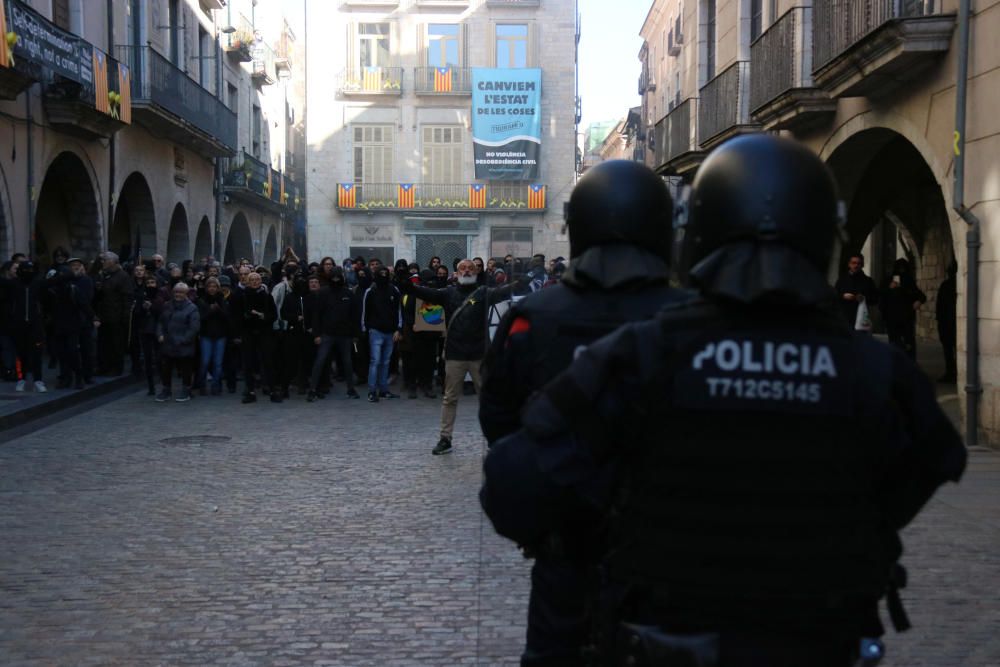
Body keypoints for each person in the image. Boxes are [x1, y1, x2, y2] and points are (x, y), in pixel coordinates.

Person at [481, 135, 967, 667]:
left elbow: (511, 483)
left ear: (696, 235)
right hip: (821, 643)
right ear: (825, 235)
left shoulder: (644, 352)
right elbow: (931, 462)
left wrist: (613, 513)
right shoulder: (874, 369)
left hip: (664, 642)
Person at [478, 159, 690, 666]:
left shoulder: (531, 317)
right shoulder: (693, 318)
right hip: (669, 544)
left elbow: (498, 419)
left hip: (565, 535)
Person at [398, 258, 524, 455]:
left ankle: (493, 437)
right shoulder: (448, 293)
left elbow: (503, 292)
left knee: (487, 398)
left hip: (479, 355)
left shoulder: (484, 293)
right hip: (455, 354)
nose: (466, 271)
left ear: (476, 272)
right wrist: (406, 284)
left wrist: (520, 282)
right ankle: (445, 438)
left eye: (470, 268)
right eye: (462, 268)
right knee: (449, 398)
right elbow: (423, 292)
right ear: (456, 273)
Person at [310, 267, 361, 401]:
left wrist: (356, 335)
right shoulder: (323, 293)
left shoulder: (348, 294)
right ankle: (313, 389)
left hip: (345, 335)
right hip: (327, 334)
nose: (336, 280)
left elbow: (355, 315)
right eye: (334, 277)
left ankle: (350, 388)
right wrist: (316, 334)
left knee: (348, 363)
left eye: (338, 277)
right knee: (320, 361)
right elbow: (317, 315)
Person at [231, 272, 276, 404]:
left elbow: (273, 314)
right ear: (248, 282)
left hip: (264, 332)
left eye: (258, 279)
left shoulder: (267, 296)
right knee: (248, 363)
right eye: (252, 280)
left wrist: (263, 316)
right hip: (248, 332)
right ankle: (250, 390)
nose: (255, 282)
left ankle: (271, 388)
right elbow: (236, 316)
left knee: (268, 361)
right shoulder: (242, 296)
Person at [3, 261, 47, 392]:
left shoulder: (37, 283)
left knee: (37, 354)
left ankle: (38, 380)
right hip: (19, 325)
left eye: (30, 270)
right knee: (21, 354)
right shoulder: (13, 284)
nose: (28, 272)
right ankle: (21, 379)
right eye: (25, 270)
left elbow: (54, 282)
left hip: (35, 325)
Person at [360, 265, 402, 402]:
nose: (383, 275)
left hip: (390, 331)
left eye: (386, 273)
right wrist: (365, 329)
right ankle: (372, 391)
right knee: (375, 361)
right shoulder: (370, 291)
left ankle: (384, 390)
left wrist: (399, 328)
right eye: (381, 273)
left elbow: (398, 310)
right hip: (375, 330)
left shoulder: (394, 290)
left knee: (385, 362)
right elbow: (365, 312)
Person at [155, 282, 200, 402]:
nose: (178, 294)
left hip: (183, 344)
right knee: (166, 368)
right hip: (168, 343)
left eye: (181, 292)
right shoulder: (167, 305)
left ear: (186, 294)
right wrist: (159, 334)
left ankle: (186, 390)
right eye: (176, 292)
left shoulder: (192, 308)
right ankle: (166, 390)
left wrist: (183, 340)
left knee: (186, 369)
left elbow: (194, 328)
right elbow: (160, 322)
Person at [94, 252, 134, 376]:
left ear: (112, 261)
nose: (102, 262)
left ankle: (116, 368)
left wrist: (124, 317)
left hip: (117, 317)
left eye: (104, 260)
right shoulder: (104, 276)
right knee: (103, 344)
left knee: (116, 344)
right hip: (104, 316)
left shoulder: (123, 277)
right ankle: (104, 366)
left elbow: (127, 298)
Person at [881, 257, 926, 360]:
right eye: (899, 269)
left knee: (908, 344)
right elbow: (881, 296)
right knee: (894, 344)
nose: (901, 272)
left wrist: (918, 301)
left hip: (906, 318)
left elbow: (920, 295)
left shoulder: (909, 281)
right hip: (892, 318)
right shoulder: (888, 281)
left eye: (903, 269)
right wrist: (889, 288)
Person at [197, 277, 229, 395]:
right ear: (206, 288)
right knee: (205, 361)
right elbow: (200, 318)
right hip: (206, 334)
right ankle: (202, 384)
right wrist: (210, 311)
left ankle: (216, 385)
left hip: (220, 335)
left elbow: (227, 317)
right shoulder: (201, 300)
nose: (212, 289)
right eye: (210, 286)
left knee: (218, 362)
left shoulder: (222, 299)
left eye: (214, 286)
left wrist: (218, 310)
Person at [834, 252, 878, 329]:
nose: (856, 265)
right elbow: (834, 296)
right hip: (844, 319)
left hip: (861, 319)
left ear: (862, 265)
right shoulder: (842, 280)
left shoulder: (868, 281)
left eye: (859, 263)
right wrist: (843, 296)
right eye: (853, 263)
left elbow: (875, 299)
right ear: (849, 264)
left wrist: (864, 298)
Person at [936, 260, 958, 382]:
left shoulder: (946, 285)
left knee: (949, 350)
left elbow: (939, 306)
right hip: (949, 322)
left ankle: (951, 372)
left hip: (947, 322)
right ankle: (952, 372)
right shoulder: (948, 286)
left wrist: (939, 320)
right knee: (951, 349)